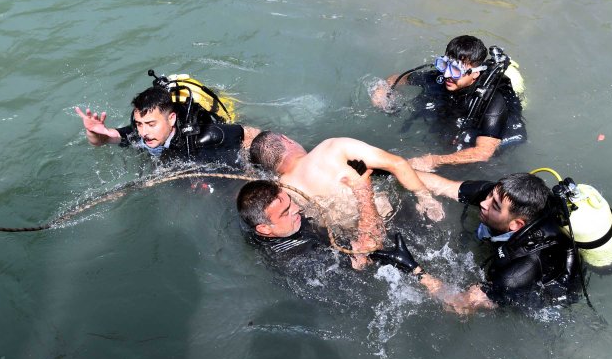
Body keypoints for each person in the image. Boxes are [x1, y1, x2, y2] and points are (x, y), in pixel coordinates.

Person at [370, 172, 581, 314]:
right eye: (490, 194)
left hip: (544, 294)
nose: (483, 202)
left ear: (516, 224)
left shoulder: (517, 272)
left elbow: (461, 306)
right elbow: (443, 185)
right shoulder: (497, 197)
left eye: (494, 205)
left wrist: (413, 269)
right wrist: (387, 168)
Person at [369, 35, 526, 171]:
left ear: (475, 73)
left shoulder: (492, 101)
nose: (447, 75)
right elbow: (398, 78)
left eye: (456, 71)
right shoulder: (442, 77)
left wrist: (434, 160)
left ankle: (514, 76)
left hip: (495, 128)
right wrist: (382, 91)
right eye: (445, 65)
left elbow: (483, 153)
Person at [248, 131, 445, 228]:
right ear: (287, 140)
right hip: (397, 218)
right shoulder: (331, 147)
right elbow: (398, 164)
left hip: (363, 241)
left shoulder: (284, 194)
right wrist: (427, 200)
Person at [76, 85, 259, 166]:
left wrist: (250, 168)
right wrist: (94, 132)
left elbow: (251, 134)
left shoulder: (207, 135)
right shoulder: (141, 133)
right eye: (139, 124)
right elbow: (106, 138)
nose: (144, 132)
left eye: (151, 124)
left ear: (171, 119)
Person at [236, 172, 384, 270]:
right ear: (264, 229)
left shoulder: (276, 226)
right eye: (285, 211)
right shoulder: (298, 259)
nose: (297, 208)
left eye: (291, 201)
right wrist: (364, 193)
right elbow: (360, 261)